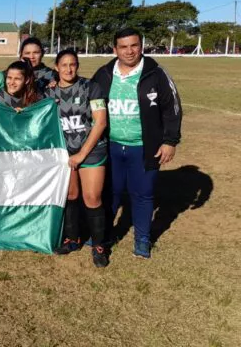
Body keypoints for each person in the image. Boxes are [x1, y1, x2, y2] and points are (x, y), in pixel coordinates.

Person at [91, 28, 182, 259]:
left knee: (143, 193)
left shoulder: (156, 73)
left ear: (141, 46)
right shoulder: (104, 73)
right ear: (115, 49)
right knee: (110, 192)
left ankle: (142, 238)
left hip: (144, 146)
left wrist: (170, 141)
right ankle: (104, 233)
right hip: (110, 144)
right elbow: (86, 98)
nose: (130, 51)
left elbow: (172, 108)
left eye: (134, 45)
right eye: (124, 47)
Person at [44, 49, 109, 267]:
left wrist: (82, 154)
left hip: (92, 150)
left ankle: (99, 245)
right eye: (64, 65)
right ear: (56, 67)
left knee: (92, 197)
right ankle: (73, 238)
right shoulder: (48, 93)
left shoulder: (92, 87)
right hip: (65, 153)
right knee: (71, 196)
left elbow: (100, 122)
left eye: (73, 64)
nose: (69, 69)